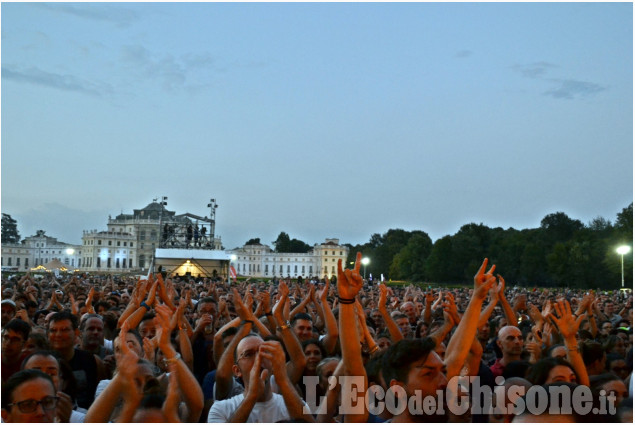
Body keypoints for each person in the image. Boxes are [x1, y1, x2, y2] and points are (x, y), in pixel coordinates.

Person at [207, 334, 312, 422]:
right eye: (248, 354)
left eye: (264, 352)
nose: (258, 358)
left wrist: (283, 380)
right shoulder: (220, 409)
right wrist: (251, 396)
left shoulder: (295, 405)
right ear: (237, 370)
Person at [47, 311, 105, 409]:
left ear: (76, 332)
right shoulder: (39, 362)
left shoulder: (93, 361)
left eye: (64, 330)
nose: (58, 334)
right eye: (53, 330)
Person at [22, 350, 85, 422]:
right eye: (36, 373)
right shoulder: (9, 418)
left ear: (62, 382)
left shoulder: (79, 420)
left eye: (51, 374)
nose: (44, 379)